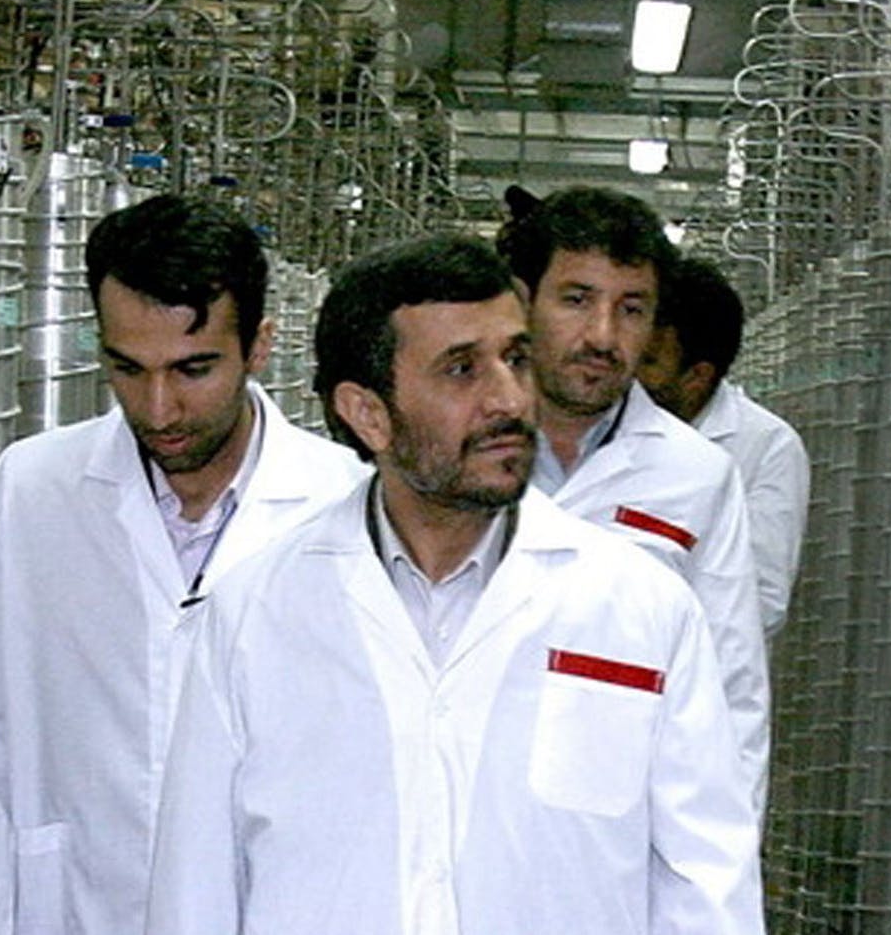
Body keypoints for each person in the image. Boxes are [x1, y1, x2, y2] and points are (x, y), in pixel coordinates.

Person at [144, 233, 764, 933]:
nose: (508, 399)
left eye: (516, 359)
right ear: (369, 413)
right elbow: (193, 895)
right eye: (462, 370)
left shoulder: (640, 609)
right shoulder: (250, 617)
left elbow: (706, 885)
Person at [0, 194, 369, 934]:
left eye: (193, 369)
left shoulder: (345, 507)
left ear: (260, 346)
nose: (158, 408)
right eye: (127, 368)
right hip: (77, 904)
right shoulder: (34, 488)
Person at [497, 185, 770, 814]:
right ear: (522, 300)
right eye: (576, 300)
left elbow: (732, 694)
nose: (603, 335)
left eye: (632, 309)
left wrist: (716, 884)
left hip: (617, 825)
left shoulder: (696, 476)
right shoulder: (458, 448)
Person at [638, 256, 810, 639]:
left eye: (649, 362)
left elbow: (762, 601)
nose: (632, 374)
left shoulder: (766, 447)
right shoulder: (606, 424)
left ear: (698, 376)